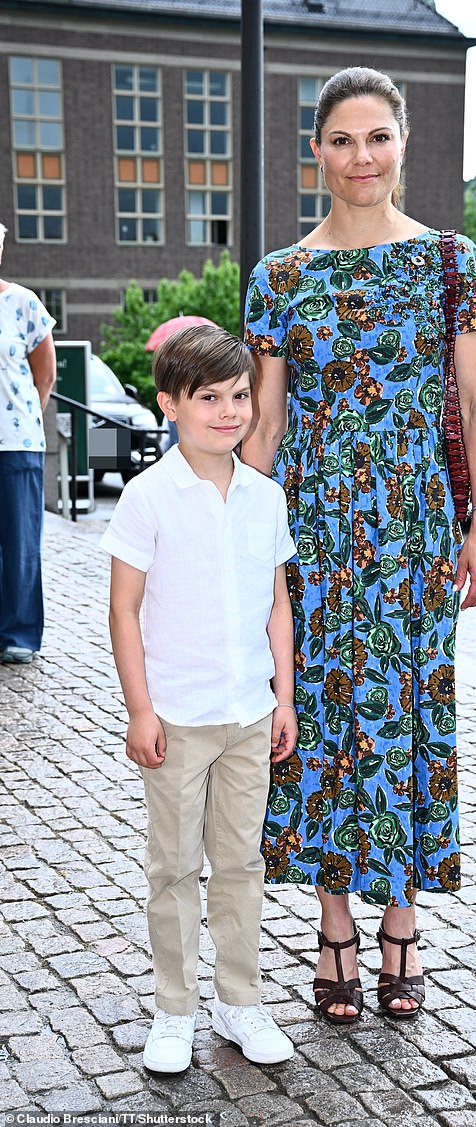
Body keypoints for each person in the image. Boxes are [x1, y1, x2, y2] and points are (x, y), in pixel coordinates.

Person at [241, 67, 476, 1024]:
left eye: (378, 138)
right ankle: (335, 922)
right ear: (316, 150)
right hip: (309, 531)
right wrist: (244, 553)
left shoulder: (448, 263)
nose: (362, 159)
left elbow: (475, 402)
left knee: (410, 710)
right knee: (320, 716)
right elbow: (263, 428)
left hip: (415, 528)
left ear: (403, 144)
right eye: (343, 140)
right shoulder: (280, 276)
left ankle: (404, 919)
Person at [101, 324, 297, 1071]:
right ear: (169, 405)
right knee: (175, 868)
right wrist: (140, 708)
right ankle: (174, 1009)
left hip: (249, 713)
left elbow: (277, 602)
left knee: (240, 863)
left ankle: (240, 1001)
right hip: (176, 719)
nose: (227, 410)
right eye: (208, 397)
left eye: (239, 395)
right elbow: (124, 608)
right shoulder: (148, 498)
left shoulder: (266, 496)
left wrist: (283, 698)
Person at [0, 222, 57, 665]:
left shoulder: (23, 304)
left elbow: (46, 376)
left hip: (16, 440)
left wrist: (23, 418)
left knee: (20, 541)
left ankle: (18, 634)